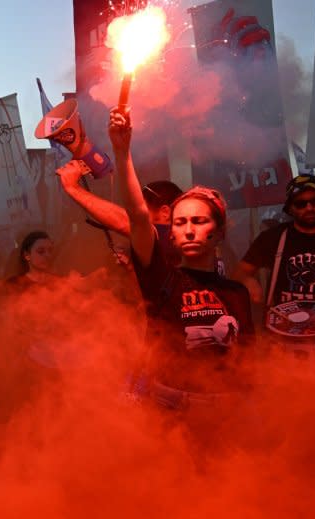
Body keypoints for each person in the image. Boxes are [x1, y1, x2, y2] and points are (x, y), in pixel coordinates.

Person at [109, 107, 254, 410]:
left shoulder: (236, 293)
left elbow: (249, 361)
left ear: (219, 231)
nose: (188, 230)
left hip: (227, 406)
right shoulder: (161, 277)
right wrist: (122, 153)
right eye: (180, 223)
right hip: (171, 404)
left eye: (199, 222)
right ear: (170, 234)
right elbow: (137, 216)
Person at [233, 174, 315, 361]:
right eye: (301, 204)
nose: (309, 208)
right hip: (281, 342)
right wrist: (248, 281)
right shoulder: (272, 237)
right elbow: (240, 273)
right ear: (290, 208)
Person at [56, 159, 182, 263]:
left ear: (165, 213)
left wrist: (73, 187)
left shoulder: (174, 237)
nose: (135, 215)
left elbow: (126, 222)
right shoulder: (156, 246)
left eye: (142, 211)